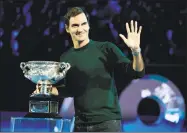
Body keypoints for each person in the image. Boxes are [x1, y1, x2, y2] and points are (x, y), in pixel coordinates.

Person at [33, 7, 145, 132]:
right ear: (67, 28)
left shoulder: (106, 48)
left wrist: (136, 51)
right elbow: (71, 90)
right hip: (80, 125)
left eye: (83, 24)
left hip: (107, 124)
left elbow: (137, 72)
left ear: (88, 25)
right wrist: (49, 88)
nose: (80, 29)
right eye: (75, 25)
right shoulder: (66, 57)